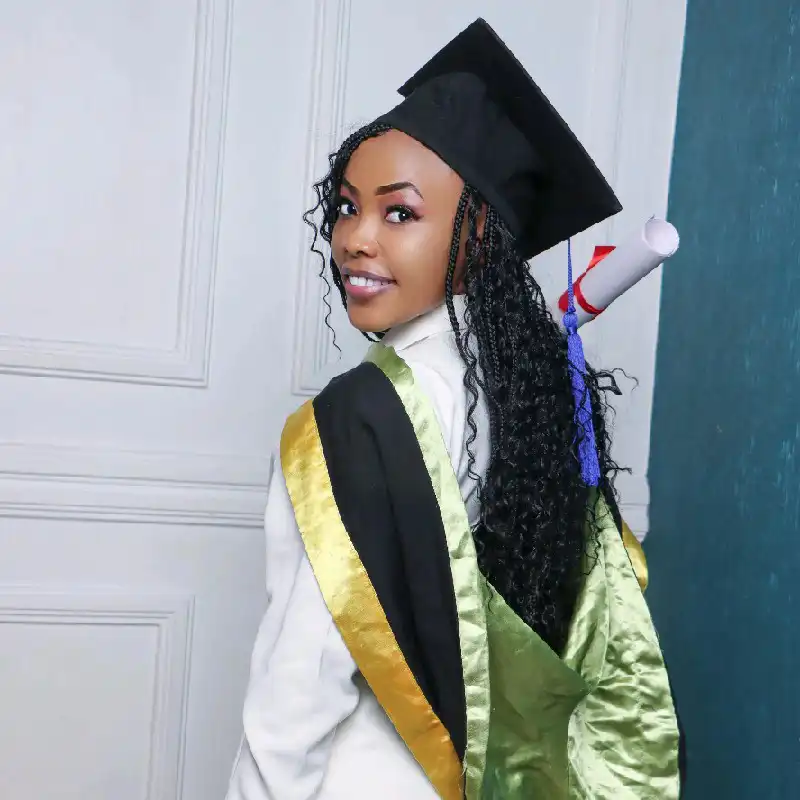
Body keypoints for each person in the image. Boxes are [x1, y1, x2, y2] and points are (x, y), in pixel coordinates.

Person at [226, 18, 682, 800]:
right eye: (346, 207)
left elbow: (303, 679)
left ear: (482, 239)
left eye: (399, 213)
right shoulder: (526, 392)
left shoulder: (367, 413)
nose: (354, 239)